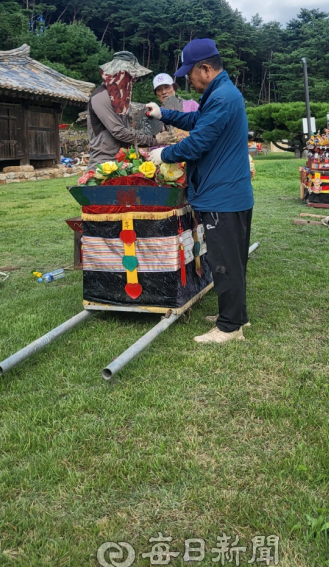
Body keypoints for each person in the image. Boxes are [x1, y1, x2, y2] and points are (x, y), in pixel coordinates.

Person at [146, 38, 254, 345]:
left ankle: (229, 327)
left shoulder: (222, 97)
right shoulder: (220, 93)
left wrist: (163, 155)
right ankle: (236, 314)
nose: (187, 81)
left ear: (205, 69)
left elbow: (198, 142)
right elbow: (196, 120)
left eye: (189, 74)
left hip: (223, 195)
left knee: (224, 261)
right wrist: (162, 114)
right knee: (233, 260)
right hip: (230, 193)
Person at [87, 51, 172, 170]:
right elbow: (119, 132)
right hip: (104, 165)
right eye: (131, 76)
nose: (134, 80)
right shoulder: (101, 96)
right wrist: (155, 140)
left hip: (122, 163)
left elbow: (131, 133)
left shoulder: (121, 102)